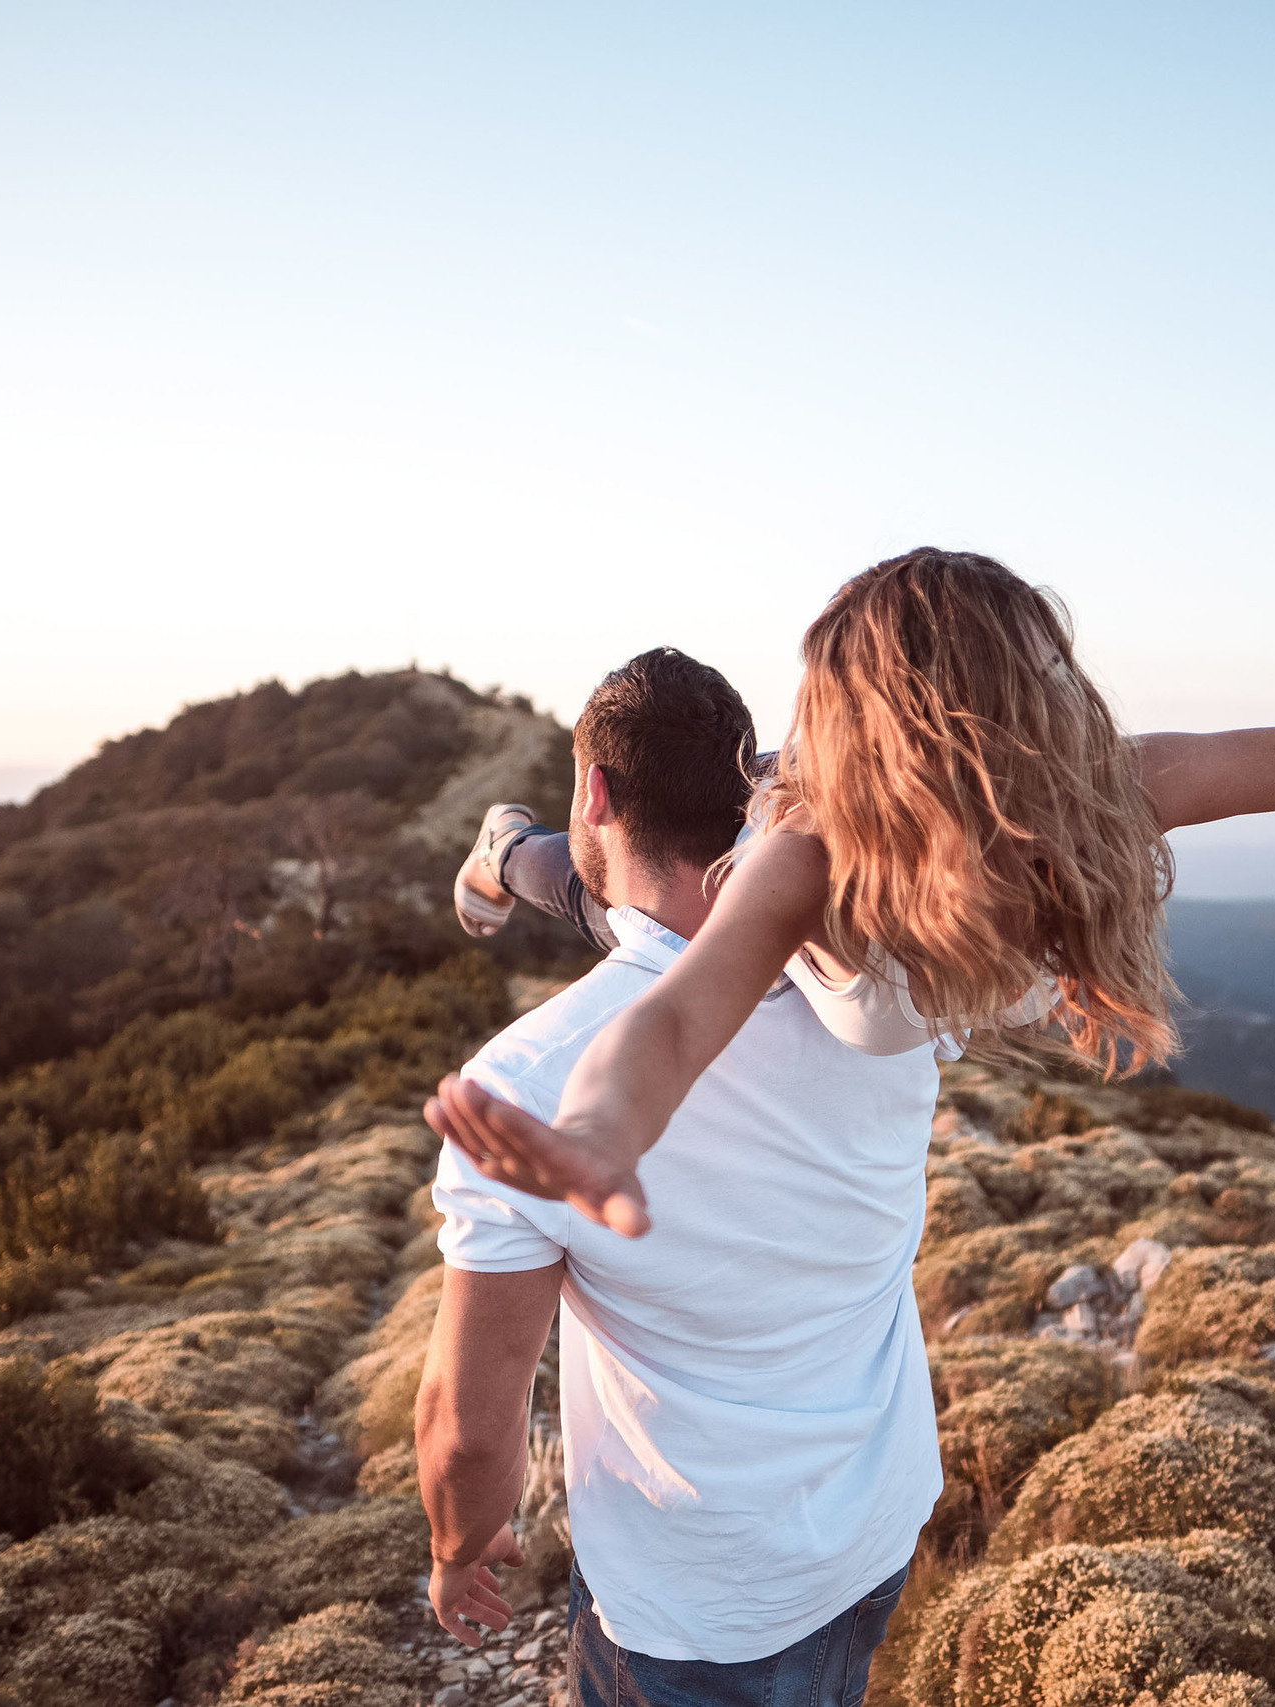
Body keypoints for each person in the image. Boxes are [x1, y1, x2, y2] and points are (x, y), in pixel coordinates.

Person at [432, 491, 1275, 1237]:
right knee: (611, 899)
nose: (1052, 702)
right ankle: (506, 849)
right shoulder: (800, 860)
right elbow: (676, 1021)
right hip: (729, 861)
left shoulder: (1100, 789)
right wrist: (598, 1136)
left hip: (873, 872)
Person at [413, 646, 936, 1705]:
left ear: (595, 793)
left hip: (697, 1604)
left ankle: (505, 847)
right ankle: (509, 851)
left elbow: (467, 1431)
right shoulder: (892, 986)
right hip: (876, 1523)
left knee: (606, 902)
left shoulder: (522, 1084)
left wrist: (457, 1545)